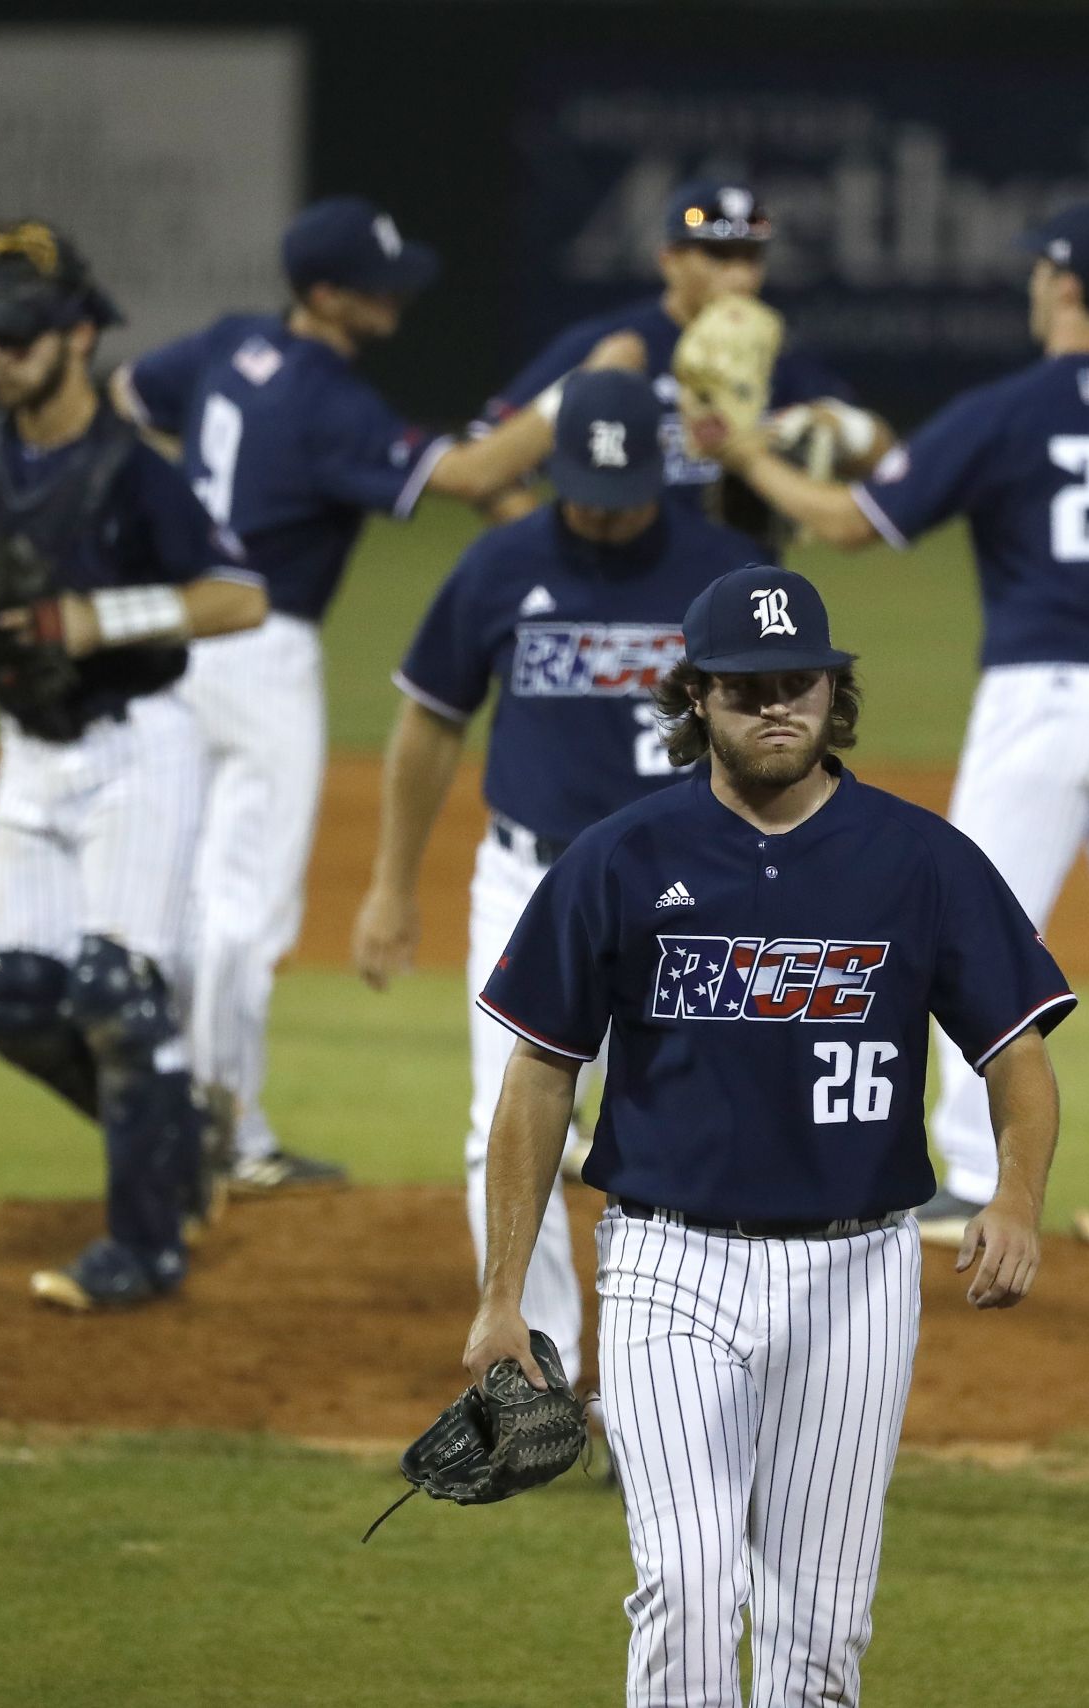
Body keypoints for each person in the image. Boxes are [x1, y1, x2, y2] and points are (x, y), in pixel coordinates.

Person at [462, 564, 1073, 1704]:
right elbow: (540, 1071)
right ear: (696, 698)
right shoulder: (619, 856)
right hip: (663, 1263)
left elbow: (1018, 1056)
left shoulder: (919, 858)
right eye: (747, 688)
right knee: (688, 1584)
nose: (776, 705)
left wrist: (1016, 1198)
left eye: (799, 682)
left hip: (857, 1272)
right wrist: (503, 1293)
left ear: (832, 692)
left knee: (822, 1626)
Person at [709, 202, 1089, 1265]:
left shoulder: (1006, 409)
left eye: (1037, 274)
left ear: (1062, 287)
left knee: (970, 930)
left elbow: (845, 524)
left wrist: (747, 456)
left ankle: (969, 1174)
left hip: (1042, 697)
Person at [109, 196, 612, 1197]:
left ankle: (186, 1108)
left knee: (186, 888)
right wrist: (580, 398)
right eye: (378, 283)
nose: (399, 296)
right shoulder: (326, 403)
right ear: (328, 295)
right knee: (243, 904)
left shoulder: (227, 344)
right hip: (258, 647)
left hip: (167, 640)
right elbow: (467, 472)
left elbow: (126, 395)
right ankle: (223, 1127)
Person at [350, 369, 761, 1389]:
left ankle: (659, 1382)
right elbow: (430, 719)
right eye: (582, 487)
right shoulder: (499, 563)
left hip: (695, 891)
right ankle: (539, 1376)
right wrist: (391, 884)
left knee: (692, 1136)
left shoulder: (727, 571)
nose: (602, 513)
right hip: (528, 887)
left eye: (624, 493)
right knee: (508, 1128)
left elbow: (784, 738)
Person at [0, 219, 269, 1308]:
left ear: (77, 334)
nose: (1, 355)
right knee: (13, 1006)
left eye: (19, 334)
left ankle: (145, 1245)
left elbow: (237, 596)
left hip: (138, 749)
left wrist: (90, 617)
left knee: (116, 992)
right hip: (29, 757)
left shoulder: (131, 470)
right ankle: (174, 1140)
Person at [482, 179, 894, 542]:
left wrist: (841, 426)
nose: (739, 276)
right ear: (669, 260)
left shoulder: (777, 350)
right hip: (628, 591)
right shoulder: (612, 345)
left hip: (738, 597)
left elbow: (886, 461)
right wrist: (559, 552)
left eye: (750, 257)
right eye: (718, 255)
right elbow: (484, 464)